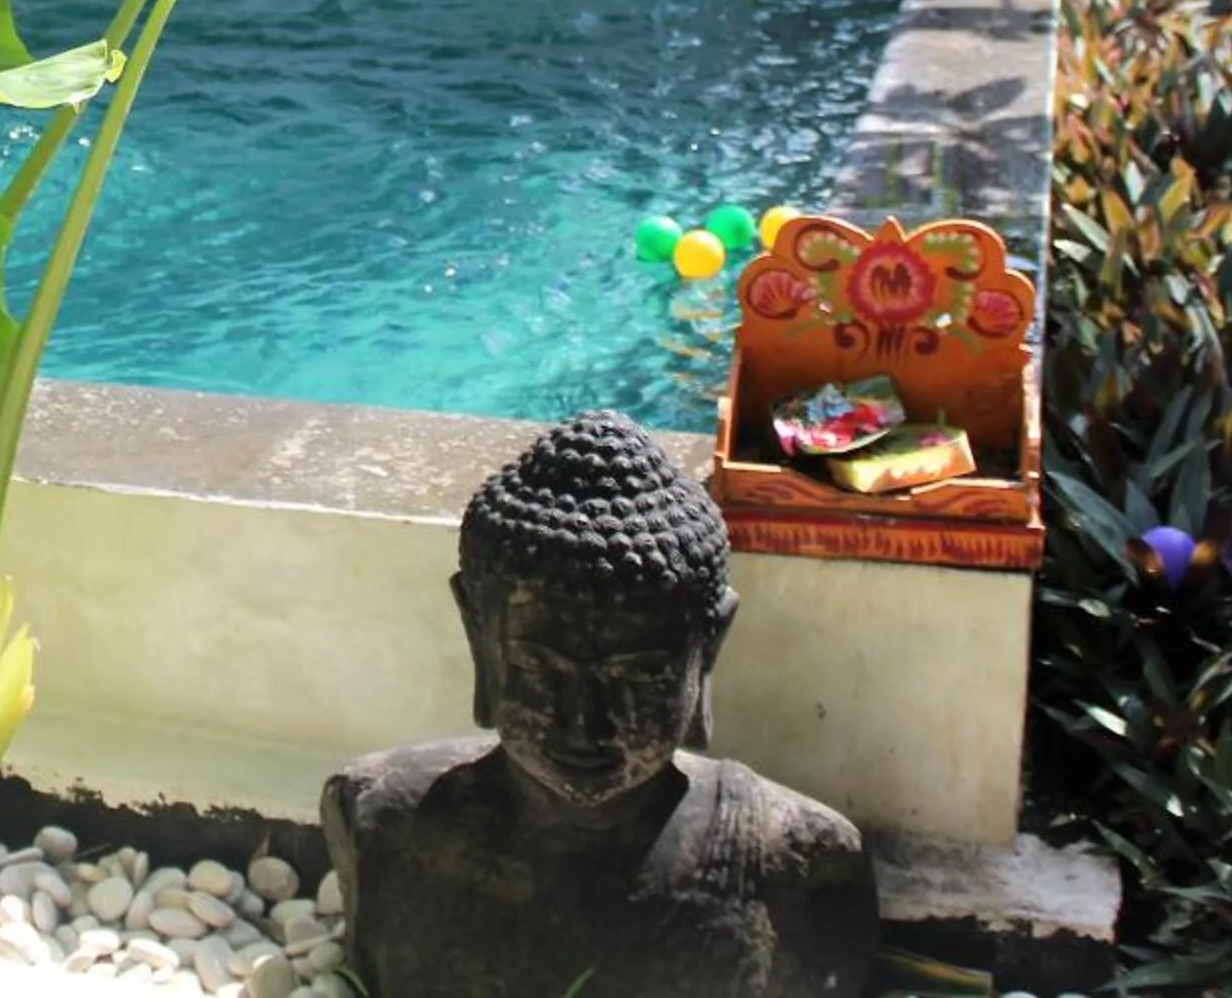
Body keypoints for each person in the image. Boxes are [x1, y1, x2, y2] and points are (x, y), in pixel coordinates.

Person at [322, 410, 878, 996]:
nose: (585, 723)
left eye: (638, 677)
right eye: (539, 669)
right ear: (478, 636)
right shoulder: (377, 817)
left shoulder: (800, 863)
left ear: (706, 646)